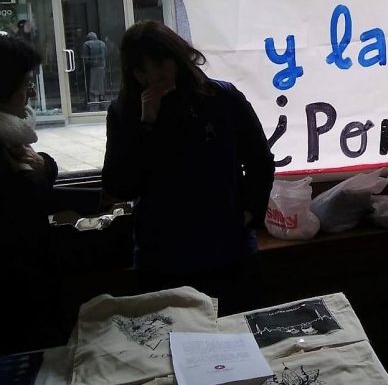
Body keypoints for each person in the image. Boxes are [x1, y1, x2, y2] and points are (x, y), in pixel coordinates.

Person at [102, 21, 274, 315]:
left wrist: (248, 212)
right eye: (141, 70)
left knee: (238, 331)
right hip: (161, 257)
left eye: (160, 63)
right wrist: (147, 124)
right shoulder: (125, 111)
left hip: (228, 250)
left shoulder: (222, 98)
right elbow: (119, 185)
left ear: (177, 56)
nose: (153, 76)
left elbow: (260, 159)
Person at [0, 36, 102, 355]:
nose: (31, 93)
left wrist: (44, 166)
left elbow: (37, 181)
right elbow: (27, 199)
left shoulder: (12, 137)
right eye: (25, 84)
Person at [83, 32, 108, 103]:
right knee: (101, 82)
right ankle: (101, 96)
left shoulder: (86, 44)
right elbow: (106, 54)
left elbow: (85, 57)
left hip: (92, 66)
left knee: (92, 83)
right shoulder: (102, 43)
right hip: (102, 65)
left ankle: (93, 98)